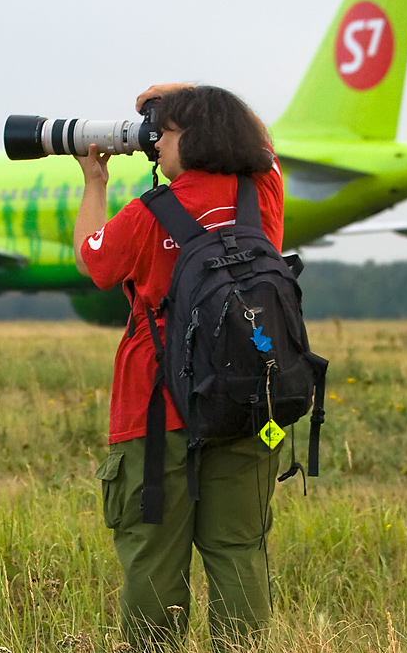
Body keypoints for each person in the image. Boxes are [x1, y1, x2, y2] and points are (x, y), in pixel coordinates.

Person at [74, 83, 285, 650]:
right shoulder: (260, 193)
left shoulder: (149, 212)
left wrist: (95, 181)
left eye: (164, 131)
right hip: (248, 400)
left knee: (154, 560)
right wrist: (194, 94)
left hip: (156, 404)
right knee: (238, 549)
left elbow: (94, 259)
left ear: (192, 137)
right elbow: (263, 145)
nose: (155, 143)